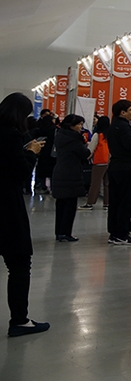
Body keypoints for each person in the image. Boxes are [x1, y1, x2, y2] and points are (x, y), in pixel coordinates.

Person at [0, 93, 51, 336]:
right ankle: (19, 320)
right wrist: (31, 152)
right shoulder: (11, 135)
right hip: (7, 206)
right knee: (19, 263)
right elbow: (20, 172)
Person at [106, 100, 131, 245]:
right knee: (126, 202)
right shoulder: (124, 127)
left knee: (116, 201)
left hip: (116, 167)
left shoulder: (113, 126)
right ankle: (122, 233)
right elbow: (130, 145)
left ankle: (116, 230)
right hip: (126, 168)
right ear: (123, 112)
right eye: (130, 110)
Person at [51, 114, 90, 242]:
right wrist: (85, 144)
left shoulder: (60, 135)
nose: (81, 127)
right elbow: (85, 153)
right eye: (79, 124)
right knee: (70, 205)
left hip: (59, 171)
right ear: (71, 125)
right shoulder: (74, 139)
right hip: (71, 173)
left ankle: (59, 232)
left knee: (61, 205)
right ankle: (66, 232)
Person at [80, 116, 110, 210]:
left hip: (99, 161)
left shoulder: (98, 135)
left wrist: (85, 158)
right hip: (110, 161)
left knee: (95, 183)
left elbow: (91, 148)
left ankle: (90, 203)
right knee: (107, 184)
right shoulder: (111, 135)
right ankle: (107, 203)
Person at [33, 109, 56, 194]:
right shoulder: (53, 129)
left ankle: (40, 185)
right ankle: (52, 187)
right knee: (52, 170)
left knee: (40, 169)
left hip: (41, 150)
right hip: (51, 152)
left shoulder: (39, 128)